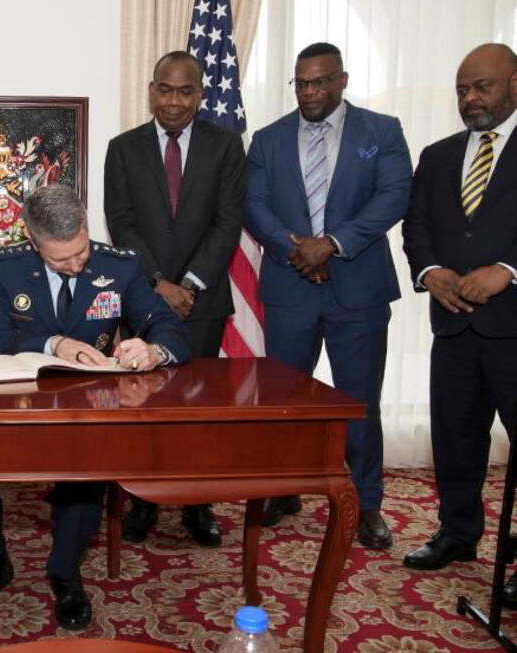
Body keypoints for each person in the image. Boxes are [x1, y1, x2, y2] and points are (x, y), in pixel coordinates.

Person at [0, 184, 192, 630]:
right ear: (32, 240)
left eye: (80, 252)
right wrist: (52, 343)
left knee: (88, 474)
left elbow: (168, 326)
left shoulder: (120, 266)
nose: (76, 265)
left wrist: (154, 351)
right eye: (61, 260)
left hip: (87, 408)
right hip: (17, 406)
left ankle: (64, 571)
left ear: (85, 226)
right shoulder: (5, 269)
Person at [243, 42, 412, 549]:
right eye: (301, 83)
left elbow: (394, 195)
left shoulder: (381, 131)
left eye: (319, 82)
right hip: (290, 285)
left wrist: (332, 244)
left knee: (359, 402)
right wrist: (295, 249)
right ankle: (284, 490)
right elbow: (253, 204)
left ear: (342, 80)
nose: (310, 92)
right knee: (284, 402)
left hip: (358, 289)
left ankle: (366, 502)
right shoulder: (268, 139)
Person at [105, 49, 244, 548]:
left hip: (204, 301)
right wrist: (160, 283)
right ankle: (143, 500)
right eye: (165, 89)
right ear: (151, 91)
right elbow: (121, 222)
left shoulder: (226, 146)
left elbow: (228, 221)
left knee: (198, 406)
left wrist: (190, 283)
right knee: (144, 404)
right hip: (143, 296)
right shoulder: (123, 149)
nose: (174, 101)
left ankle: (197, 505)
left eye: (186, 91)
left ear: (200, 95)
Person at [402, 44, 517, 587]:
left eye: (482, 87)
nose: (470, 98)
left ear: (514, 84)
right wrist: (429, 272)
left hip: (512, 326)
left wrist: (509, 270)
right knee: (455, 437)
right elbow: (416, 225)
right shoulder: (438, 155)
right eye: (462, 90)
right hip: (452, 324)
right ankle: (458, 532)